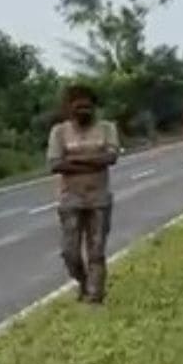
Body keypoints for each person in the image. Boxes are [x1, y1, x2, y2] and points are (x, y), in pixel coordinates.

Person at [46, 85, 119, 303]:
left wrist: (75, 160)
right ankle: (84, 282)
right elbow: (55, 164)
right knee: (70, 253)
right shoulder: (59, 131)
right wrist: (93, 162)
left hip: (99, 198)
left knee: (96, 251)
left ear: (94, 107)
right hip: (70, 199)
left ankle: (95, 296)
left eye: (88, 106)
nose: (83, 111)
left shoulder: (106, 128)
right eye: (78, 107)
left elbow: (111, 158)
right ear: (69, 108)